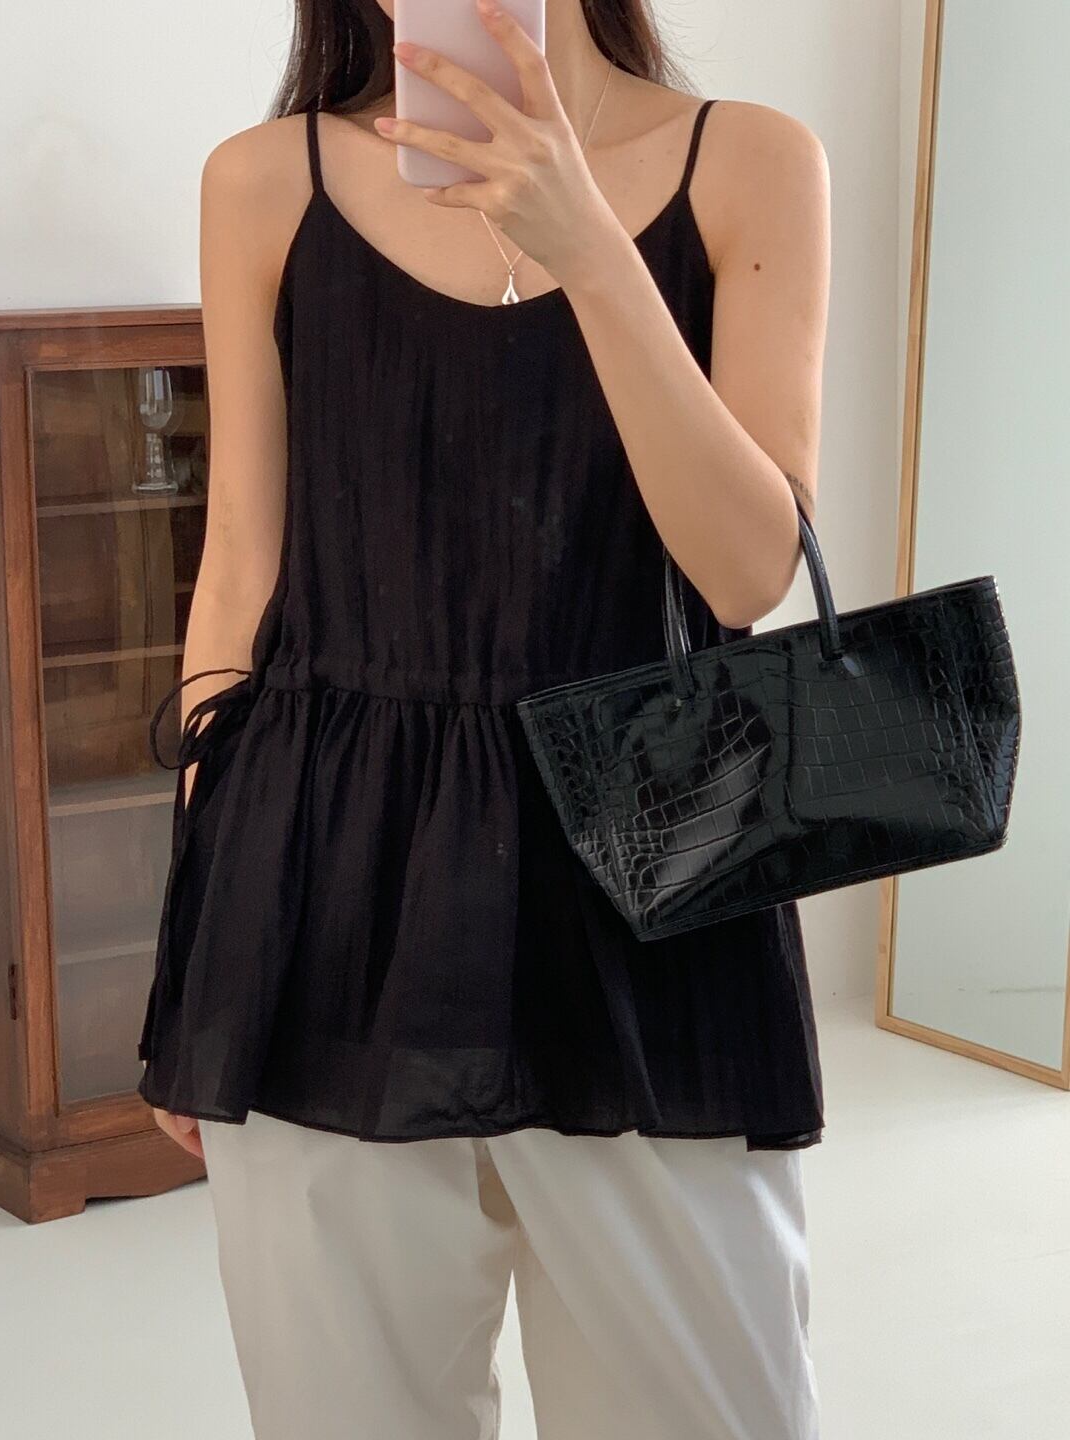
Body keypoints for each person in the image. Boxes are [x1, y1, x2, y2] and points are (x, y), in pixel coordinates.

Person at [138, 0, 831, 1435]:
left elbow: (746, 571)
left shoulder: (750, 162)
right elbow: (240, 580)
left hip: (656, 875)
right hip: (327, 883)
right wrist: (205, 944)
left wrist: (589, 247)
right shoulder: (263, 183)